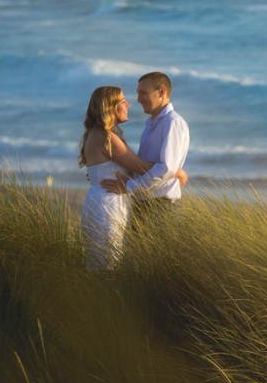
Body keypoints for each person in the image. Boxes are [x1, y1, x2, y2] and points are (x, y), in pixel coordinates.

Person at [78, 85, 187, 270]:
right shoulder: (106, 137)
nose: (128, 104)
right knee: (108, 263)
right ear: (109, 107)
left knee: (104, 261)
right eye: (122, 101)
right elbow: (140, 167)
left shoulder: (101, 134)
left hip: (104, 198)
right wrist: (176, 172)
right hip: (108, 204)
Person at [101, 72, 190, 226]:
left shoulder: (172, 122)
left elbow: (166, 168)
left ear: (161, 92)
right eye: (138, 93)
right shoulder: (150, 124)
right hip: (144, 203)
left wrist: (128, 187)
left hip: (161, 207)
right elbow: (143, 165)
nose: (138, 99)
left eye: (143, 93)